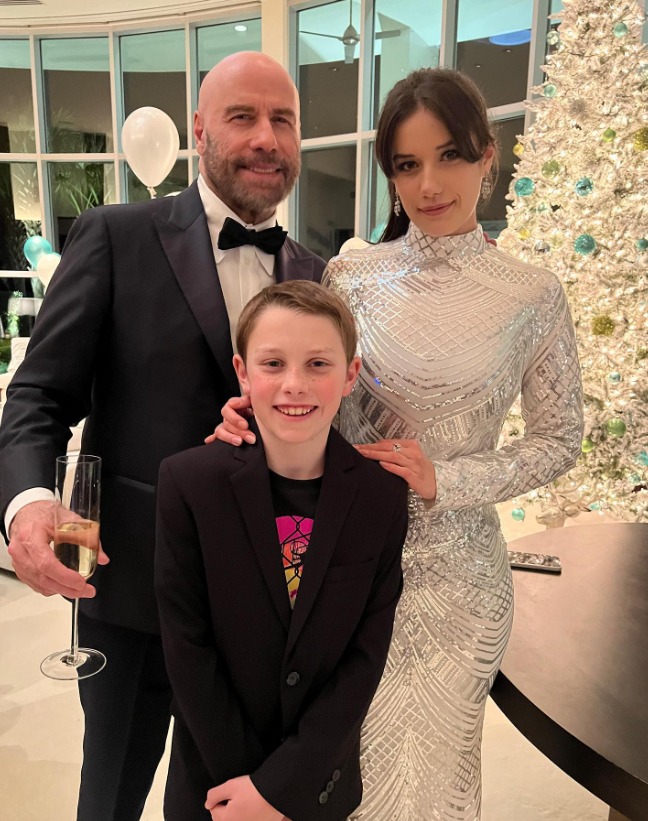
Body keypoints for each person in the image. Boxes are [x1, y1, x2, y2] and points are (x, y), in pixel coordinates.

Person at [212, 67, 584, 820]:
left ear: (487, 155)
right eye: (407, 165)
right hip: (344, 569)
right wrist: (260, 413)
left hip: (460, 587)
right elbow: (317, 393)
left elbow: (560, 438)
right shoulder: (352, 274)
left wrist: (448, 479)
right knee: (339, 774)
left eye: (449, 156)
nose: (429, 185)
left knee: (438, 783)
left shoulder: (532, 294)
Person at [0, 52, 326, 821]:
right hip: (130, 590)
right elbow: (39, 395)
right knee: (109, 797)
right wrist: (28, 502)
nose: (266, 136)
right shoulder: (116, 236)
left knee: (221, 805)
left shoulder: (316, 276)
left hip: (260, 613)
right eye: (244, 116)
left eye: (282, 120)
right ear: (201, 131)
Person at [155, 280, 408, 821]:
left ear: (350, 375)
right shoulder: (188, 483)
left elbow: (365, 656)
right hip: (214, 784)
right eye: (273, 364)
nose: (295, 385)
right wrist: (248, 787)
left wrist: (282, 788)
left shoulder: (381, 496)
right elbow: (186, 644)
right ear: (243, 372)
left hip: (316, 784)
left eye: (318, 364)